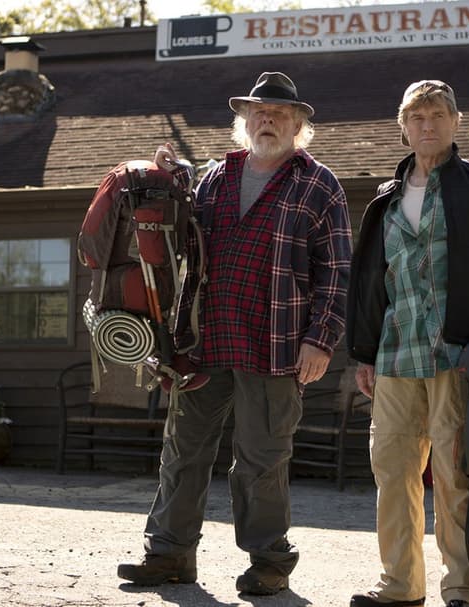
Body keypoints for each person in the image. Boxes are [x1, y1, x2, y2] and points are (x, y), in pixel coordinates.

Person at [116, 71, 353, 595]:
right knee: (183, 450)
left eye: (279, 114)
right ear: (244, 122)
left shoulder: (319, 184)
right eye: (258, 112)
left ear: (298, 126)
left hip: (277, 345)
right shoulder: (215, 177)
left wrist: (321, 339)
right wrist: (166, 176)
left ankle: (269, 562)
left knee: (262, 460)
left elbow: (337, 272)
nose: (267, 120)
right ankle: (169, 553)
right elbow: (180, 235)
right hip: (204, 340)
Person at [346, 80, 469, 607]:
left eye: (437, 116)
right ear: (403, 128)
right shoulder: (385, 199)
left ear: (456, 122)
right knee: (392, 474)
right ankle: (400, 586)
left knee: (457, 476)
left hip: (461, 355)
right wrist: (364, 353)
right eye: (417, 117)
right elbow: (373, 283)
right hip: (394, 357)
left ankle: (463, 586)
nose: (427, 125)